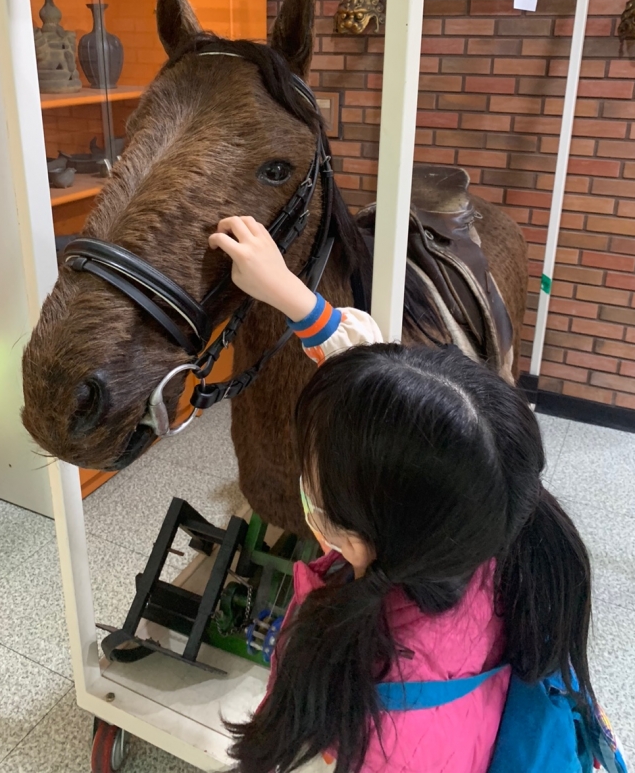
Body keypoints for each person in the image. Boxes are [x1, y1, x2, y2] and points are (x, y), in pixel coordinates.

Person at [208, 215, 596, 773]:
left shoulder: (365, 728)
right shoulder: (482, 539)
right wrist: (289, 292)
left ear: (357, 534)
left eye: (317, 474)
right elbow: (379, 384)